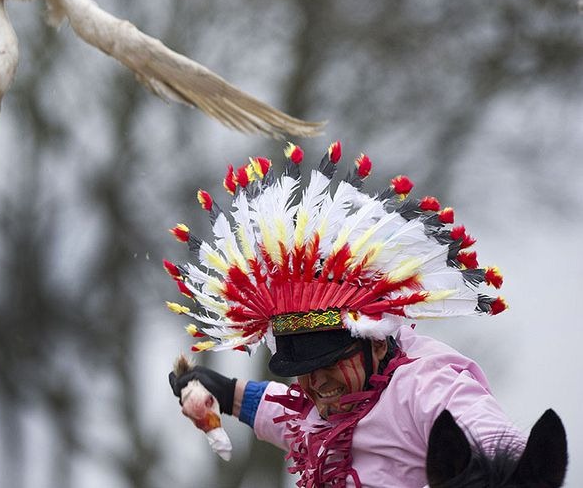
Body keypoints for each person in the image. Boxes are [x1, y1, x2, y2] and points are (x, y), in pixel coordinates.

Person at [163, 142, 520, 487]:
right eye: (304, 369)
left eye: (329, 362)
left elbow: (496, 440)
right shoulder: (328, 406)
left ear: (376, 343)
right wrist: (226, 393)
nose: (316, 381)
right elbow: (291, 417)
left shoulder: (423, 385)